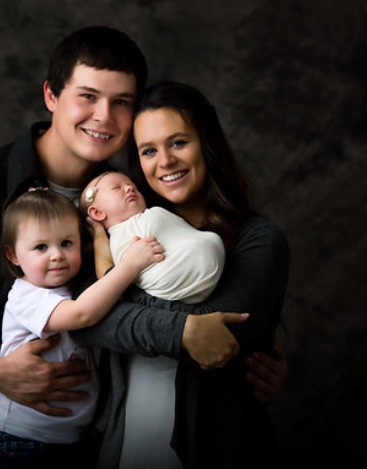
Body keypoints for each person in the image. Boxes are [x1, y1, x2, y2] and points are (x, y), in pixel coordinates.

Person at [0, 25, 287, 469]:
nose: (104, 116)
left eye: (122, 102)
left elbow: (113, 312)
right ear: (51, 95)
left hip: (72, 443)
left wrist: (242, 358)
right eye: (88, 96)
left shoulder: (127, 205)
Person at [72, 80, 291, 469]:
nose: (165, 161)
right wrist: (182, 328)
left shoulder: (258, 241)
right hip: (126, 445)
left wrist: (113, 283)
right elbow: (82, 322)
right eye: (149, 151)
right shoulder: (123, 232)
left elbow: (216, 335)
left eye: (178, 143)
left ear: (207, 144)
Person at [0, 187, 163, 468]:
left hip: (70, 441)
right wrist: (130, 265)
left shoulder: (68, 288)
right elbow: (82, 314)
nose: (57, 255)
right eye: (41, 247)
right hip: (22, 442)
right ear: (13, 255)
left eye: (67, 243)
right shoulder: (26, 297)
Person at [80, 170, 225, 303]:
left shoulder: (151, 213)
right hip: (174, 280)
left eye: (133, 186)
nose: (130, 188)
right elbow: (119, 275)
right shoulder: (120, 236)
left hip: (206, 263)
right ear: (98, 213)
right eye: (116, 188)